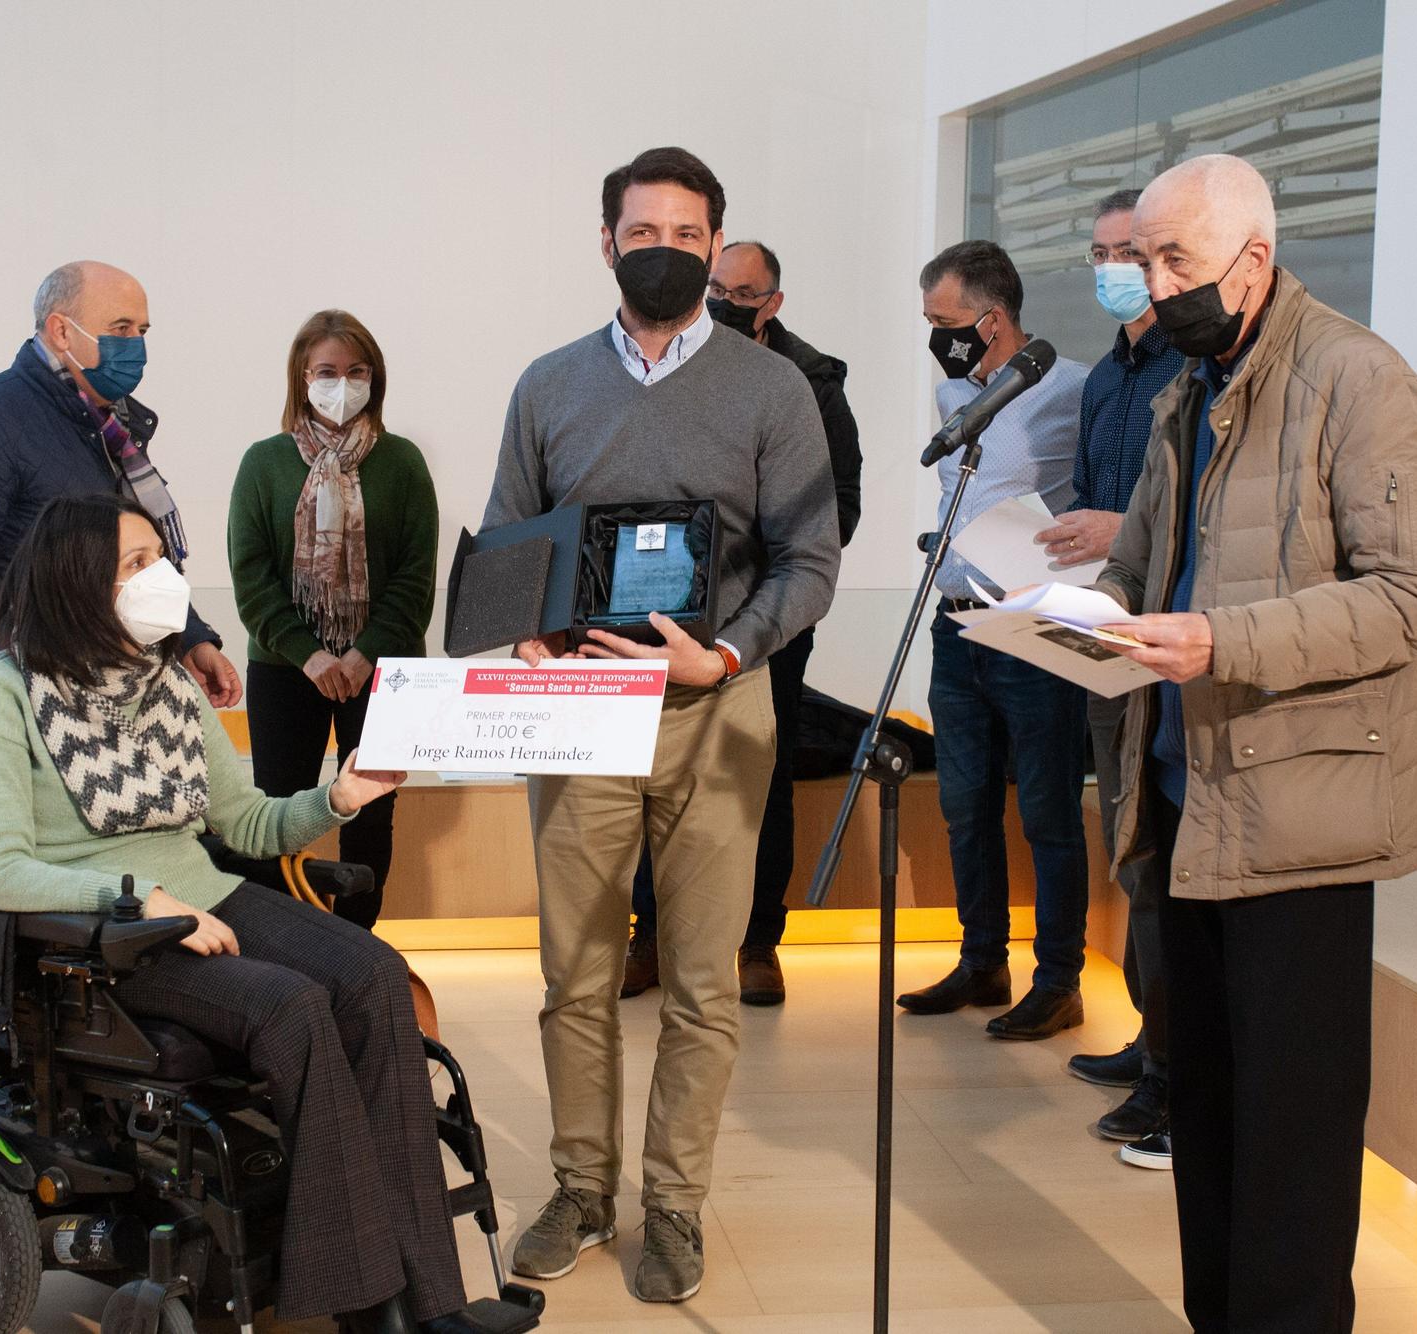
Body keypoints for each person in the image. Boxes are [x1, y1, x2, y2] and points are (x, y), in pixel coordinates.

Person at [1093, 154, 1417, 1332]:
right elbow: (1150, 560)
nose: (1151, 284)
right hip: (1184, 802)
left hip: (1301, 817)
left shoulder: (1357, 380)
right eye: (1139, 259)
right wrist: (1078, 617)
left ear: (1253, 261)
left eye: (1174, 260)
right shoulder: (1191, 381)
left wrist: (1222, 639)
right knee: (1206, 1114)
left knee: (1291, 1141)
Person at [0, 492, 481, 1333]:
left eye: (158, 558)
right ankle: (367, 1303)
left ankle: (431, 1293)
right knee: (294, 1007)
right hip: (109, 937)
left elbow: (247, 824)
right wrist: (138, 900)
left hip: (208, 895)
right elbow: (1, 871)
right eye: (134, 564)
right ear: (76, 580)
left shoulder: (169, 686)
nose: (159, 578)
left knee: (376, 973)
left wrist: (337, 796)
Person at [484, 146, 839, 1304]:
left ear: (712, 247)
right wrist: (529, 627)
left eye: (689, 235)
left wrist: (726, 651)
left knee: (701, 981)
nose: (665, 250)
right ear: (605, 241)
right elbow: (508, 539)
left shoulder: (769, 390)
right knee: (573, 974)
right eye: (645, 230)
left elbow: (808, 559)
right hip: (583, 713)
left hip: (716, 711)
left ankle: (673, 1203)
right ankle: (582, 1187)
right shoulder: (545, 385)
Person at [621, 238, 863, 1006]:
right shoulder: (679, 368)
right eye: (717, 288)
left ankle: (759, 942)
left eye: (744, 293)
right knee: (650, 775)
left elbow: (837, 511)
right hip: (666, 612)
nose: (726, 302)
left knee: (767, 776)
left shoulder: (811, 384)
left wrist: (749, 566)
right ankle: (651, 935)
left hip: (765, 622)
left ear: (774, 303)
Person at [898, 240, 1093, 1041]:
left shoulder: (1074, 389)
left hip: (1034, 625)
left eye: (945, 322)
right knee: (963, 805)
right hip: (956, 627)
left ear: (995, 318)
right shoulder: (954, 394)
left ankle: (1060, 978)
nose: (936, 337)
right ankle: (983, 959)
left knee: (1046, 808)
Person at [0, 260, 240, 705]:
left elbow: (141, 561)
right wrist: (24, 668)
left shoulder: (115, 430)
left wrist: (191, 639)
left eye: (142, 330)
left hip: (124, 690)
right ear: (61, 331)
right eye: (120, 329)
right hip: (25, 703)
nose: (136, 345)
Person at [1042, 188, 1188, 1169]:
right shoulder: (1104, 378)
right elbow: (1095, 500)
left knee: (1167, 863)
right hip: (1100, 644)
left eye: (1126, 250)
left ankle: (1177, 1077)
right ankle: (1150, 1038)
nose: (1111, 265)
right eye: (1097, 250)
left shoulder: (1193, 369)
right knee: (1126, 852)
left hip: (1172, 654)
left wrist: (1115, 530)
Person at [229, 310, 438, 930]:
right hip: (285, 668)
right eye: (326, 372)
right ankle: (286, 942)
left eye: (356, 371)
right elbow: (251, 575)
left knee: (372, 810)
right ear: (301, 377)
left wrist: (361, 652)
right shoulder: (262, 463)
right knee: (277, 810)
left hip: (381, 668)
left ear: (375, 378)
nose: (341, 384)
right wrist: (309, 654)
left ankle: (358, 942)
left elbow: (415, 576)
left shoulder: (402, 463)